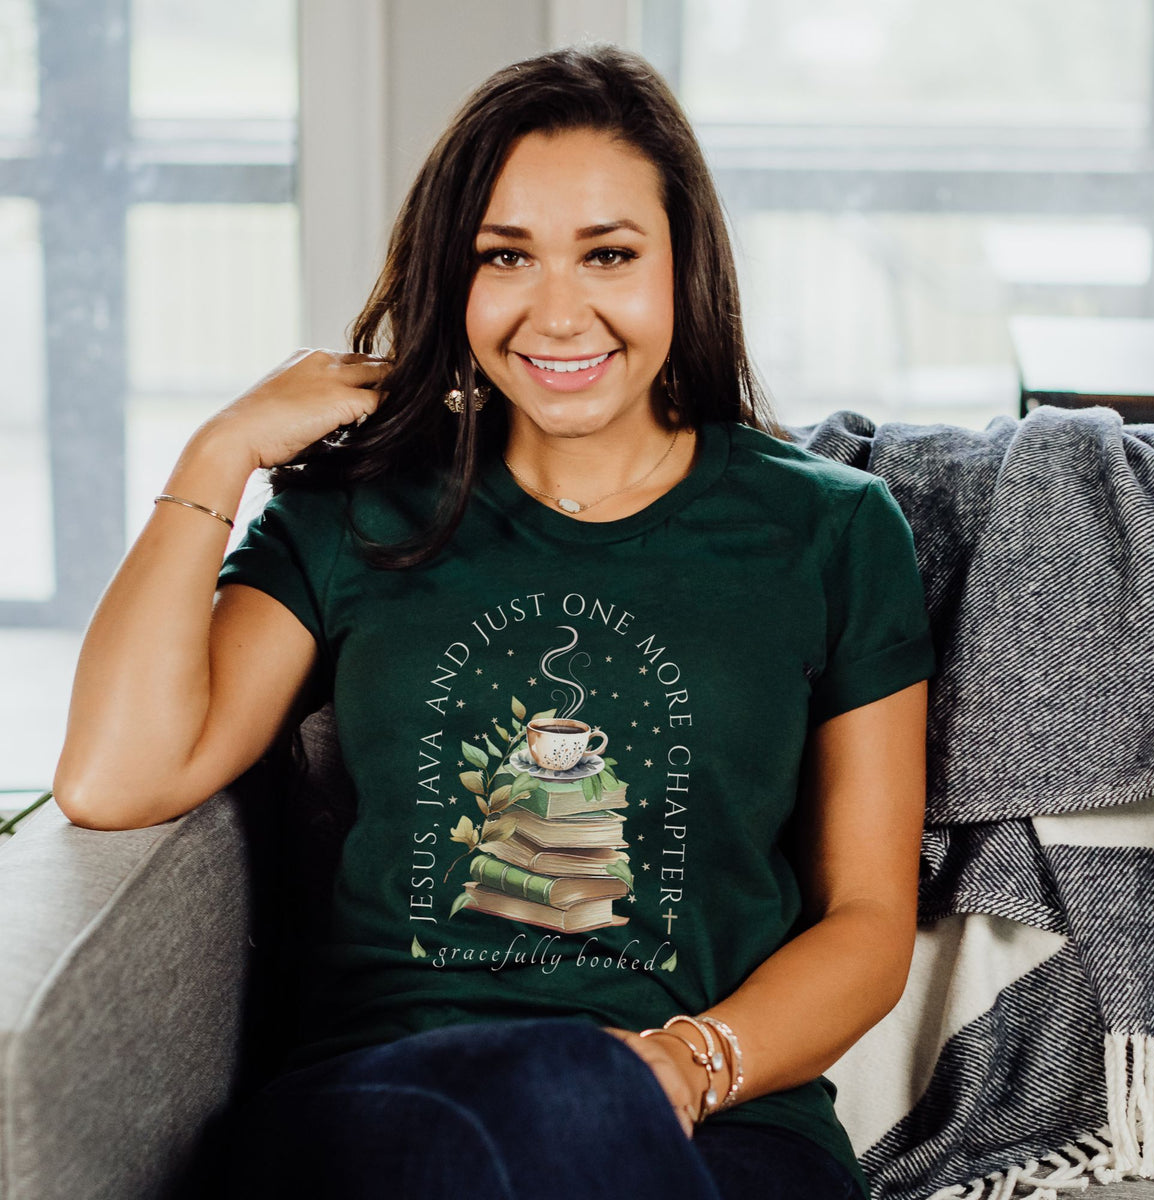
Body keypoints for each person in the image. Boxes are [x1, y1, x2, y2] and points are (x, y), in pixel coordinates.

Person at [53, 44, 935, 1200]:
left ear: (684, 268)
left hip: (722, 1121)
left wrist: (680, 1064)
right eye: (504, 257)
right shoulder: (360, 512)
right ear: (449, 277)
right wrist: (220, 451)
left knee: (592, 1106)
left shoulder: (830, 530)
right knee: (559, 1099)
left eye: (609, 255)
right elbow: (117, 779)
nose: (557, 312)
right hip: (396, 1098)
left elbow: (869, 920)